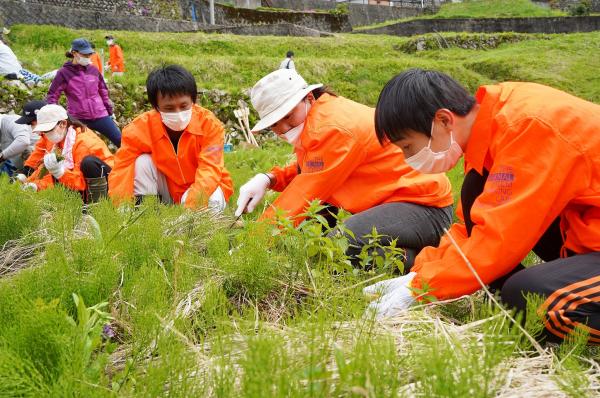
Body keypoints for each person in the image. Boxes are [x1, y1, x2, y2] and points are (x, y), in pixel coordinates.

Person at [368, 68, 600, 343]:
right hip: (585, 231)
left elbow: (499, 238)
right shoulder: (492, 128)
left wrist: (422, 288)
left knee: (532, 298)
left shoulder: (527, 127)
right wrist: (420, 273)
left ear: (443, 120)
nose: (408, 157)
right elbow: (471, 230)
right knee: (474, 191)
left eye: (408, 146)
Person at [235, 69, 454, 266]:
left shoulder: (333, 128)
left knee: (337, 245)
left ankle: (427, 262)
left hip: (424, 208)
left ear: (308, 98)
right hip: (394, 202)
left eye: (288, 116)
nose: (283, 128)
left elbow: (306, 190)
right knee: (309, 233)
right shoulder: (319, 118)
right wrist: (269, 178)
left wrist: (252, 244)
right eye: (274, 124)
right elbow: (313, 168)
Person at [108, 65, 233, 211]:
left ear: (193, 100)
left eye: (184, 105)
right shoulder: (139, 128)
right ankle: (145, 213)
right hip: (170, 189)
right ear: (156, 106)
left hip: (207, 188)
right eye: (169, 108)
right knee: (142, 162)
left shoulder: (210, 125)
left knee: (208, 207)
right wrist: (121, 205)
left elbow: (209, 170)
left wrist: (190, 206)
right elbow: (122, 167)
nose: (178, 113)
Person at [21, 104, 114, 202]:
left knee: (87, 163)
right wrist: (35, 185)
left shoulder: (84, 143)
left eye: (48, 130)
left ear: (63, 124)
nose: (45, 134)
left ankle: (98, 206)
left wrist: (60, 172)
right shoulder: (60, 140)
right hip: (80, 181)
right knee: (56, 171)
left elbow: (80, 182)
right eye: (43, 131)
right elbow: (50, 173)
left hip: (109, 183)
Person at [47, 38, 121, 147]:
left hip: (100, 115)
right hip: (78, 119)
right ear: (74, 53)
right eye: (85, 55)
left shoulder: (94, 70)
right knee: (76, 147)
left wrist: (110, 113)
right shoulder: (63, 73)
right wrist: (60, 117)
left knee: (121, 141)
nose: (88, 57)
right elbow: (52, 96)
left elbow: (103, 92)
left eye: (89, 55)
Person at [14, 99, 47, 176]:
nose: (32, 129)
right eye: (29, 124)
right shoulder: (44, 138)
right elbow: (37, 155)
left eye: (32, 123)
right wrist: (25, 172)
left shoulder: (70, 137)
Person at [0, 112, 36, 176]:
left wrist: (2, 156)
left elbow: (23, 141)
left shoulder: (11, 121)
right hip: (16, 162)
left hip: (40, 156)